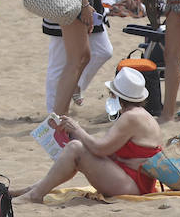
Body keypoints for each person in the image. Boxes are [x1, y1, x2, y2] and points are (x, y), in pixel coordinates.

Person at [10, 67, 164, 203]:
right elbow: (105, 148)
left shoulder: (131, 117)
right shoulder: (140, 115)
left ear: (116, 95)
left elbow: (100, 149)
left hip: (134, 185)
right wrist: (71, 131)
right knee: (77, 148)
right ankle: (34, 189)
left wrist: (77, 129)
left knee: (75, 149)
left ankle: (35, 194)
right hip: (135, 181)